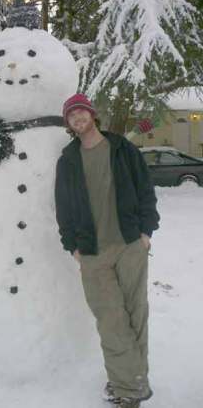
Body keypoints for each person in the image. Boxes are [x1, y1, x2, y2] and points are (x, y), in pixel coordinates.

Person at [54, 93, 160, 408]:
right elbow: (64, 207)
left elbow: (145, 189)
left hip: (130, 244)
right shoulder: (68, 160)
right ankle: (130, 385)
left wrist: (145, 231)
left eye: (80, 112)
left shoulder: (121, 149)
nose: (77, 118)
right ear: (69, 124)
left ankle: (132, 382)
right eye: (71, 116)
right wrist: (71, 244)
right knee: (111, 319)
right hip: (92, 252)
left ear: (91, 114)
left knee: (135, 313)